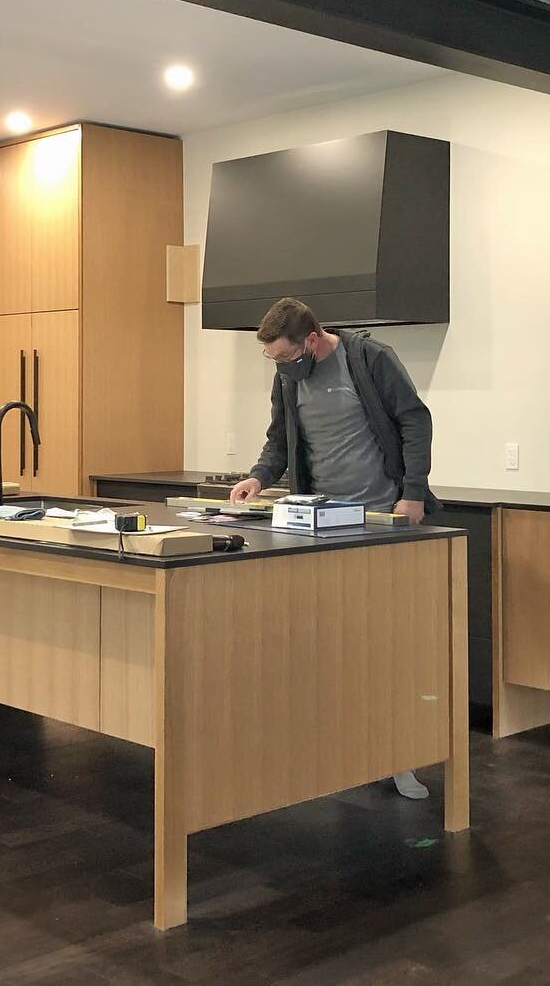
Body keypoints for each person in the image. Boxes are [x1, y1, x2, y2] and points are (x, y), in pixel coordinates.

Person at [230, 296, 437, 800]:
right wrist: (257, 478)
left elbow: (415, 421)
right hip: (320, 525)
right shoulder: (289, 377)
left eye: (285, 357)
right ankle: (335, 752)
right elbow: (279, 440)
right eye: (274, 361)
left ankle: (399, 758)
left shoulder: (370, 360)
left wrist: (412, 493)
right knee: (330, 648)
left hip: (380, 520)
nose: (280, 368)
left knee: (388, 651)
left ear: (313, 340)